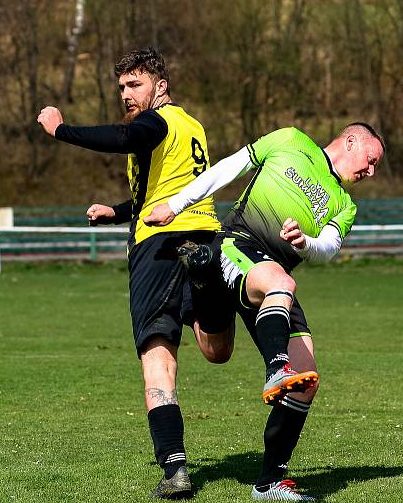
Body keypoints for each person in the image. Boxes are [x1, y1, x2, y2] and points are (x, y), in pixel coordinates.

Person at [144, 122, 386, 501]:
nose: (371, 172)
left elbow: (328, 246)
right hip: (239, 244)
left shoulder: (345, 204)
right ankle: (275, 367)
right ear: (351, 140)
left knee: (305, 380)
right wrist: (175, 206)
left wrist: (305, 243)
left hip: (274, 281)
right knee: (280, 286)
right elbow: (229, 167)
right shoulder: (289, 140)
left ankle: (270, 482)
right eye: (371, 161)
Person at [38, 47, 235, 499]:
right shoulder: (192, 126)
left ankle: (175, 469)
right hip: (204, 238)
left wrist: (61, 130)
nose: (127, 94)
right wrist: (119, 211)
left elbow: (126, 138)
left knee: (157, 355)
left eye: (136, 85)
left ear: (160, 86)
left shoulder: (155, 122)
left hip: (159, 247)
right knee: (216, 350)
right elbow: (172, 189)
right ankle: (206, 285)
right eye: (122, 87)